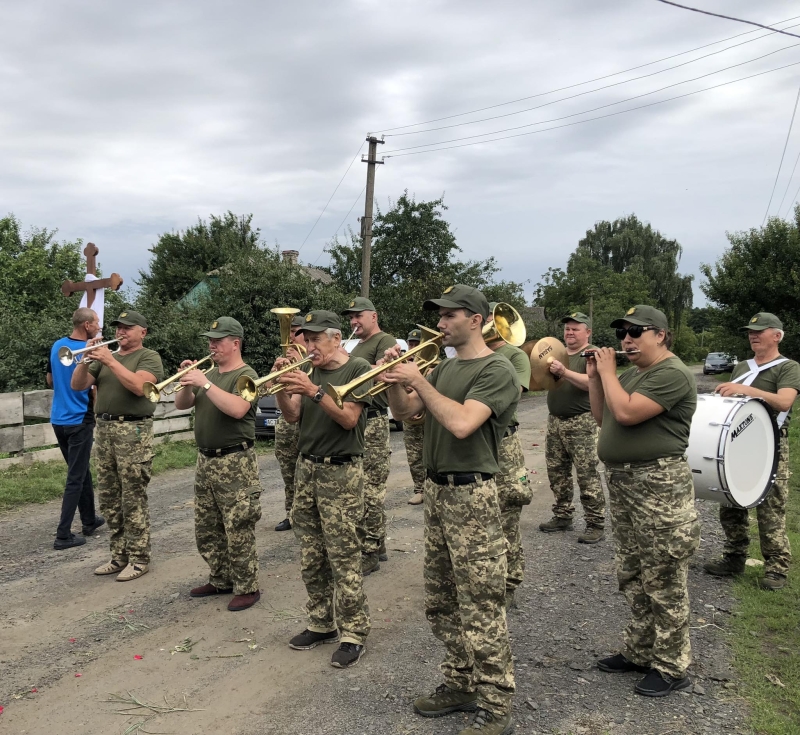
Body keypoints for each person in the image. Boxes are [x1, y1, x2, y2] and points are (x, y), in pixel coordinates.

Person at [384, 284, 519, 735]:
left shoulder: (497, 368)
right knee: (442, 600)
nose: (440, 324)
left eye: (448, 316)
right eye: (438, 316)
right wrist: (396, 385)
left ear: (475, 319)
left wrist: (418, 378)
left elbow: (462, 424)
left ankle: (496, 707)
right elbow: (407, 414)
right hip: (439, 493)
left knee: (481, 604)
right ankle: (460, 683)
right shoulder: (443, 368)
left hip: (473, 495)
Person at [587, 305, 699, 697]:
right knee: (633, 571)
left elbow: (629, 413)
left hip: (658, 483)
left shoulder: (671, 373)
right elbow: (605, 418)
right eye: (623, 333)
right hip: (625, 481)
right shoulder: (633, 373)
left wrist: (605, 372)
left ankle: (671, 666)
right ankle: (640, 650)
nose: (627, 339)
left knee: (663, 574)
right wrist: (596, 379)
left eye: (636, 331)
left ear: (661, 335)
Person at [274, 310, 372, 669]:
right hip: (307, 468)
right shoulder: (310, 370)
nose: (310, 345)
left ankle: (353, 632)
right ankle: (320, 622)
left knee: (343, 553)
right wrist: (286, 386)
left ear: (336, 337)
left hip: (342, 472)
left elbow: (348, 419)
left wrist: (313, 390)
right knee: (311, 552)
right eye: (306, 338)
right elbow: (292, 416)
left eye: (316, 339)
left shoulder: (358, 369)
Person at [704, 312, 800, 590]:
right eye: (750, 331)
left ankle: (777, 569)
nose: (753, 335)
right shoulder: (742, 367)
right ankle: (734, 557)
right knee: (730, 501)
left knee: (771, 507)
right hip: (736, 441)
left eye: (759, 331)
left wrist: (746, 390)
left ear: (777, 336)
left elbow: (784, 402)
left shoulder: (788, 367)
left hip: (771, 443)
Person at [174, 317, 263, 612]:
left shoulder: (246, 374)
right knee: (207, 526)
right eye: (210, 340)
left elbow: (238, 409)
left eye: (218, 340)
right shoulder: (208, 372)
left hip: (235, 460)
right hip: (206, 459)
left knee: (238, 525)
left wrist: (205, 382)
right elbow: (181, 404)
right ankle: (220, 577)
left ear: (235, 343)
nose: (212, 345)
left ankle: (247, 586)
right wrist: (187, 380)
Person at [71, 310, 163, 582]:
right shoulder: (104, 357)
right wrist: (85, 361)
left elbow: (139, 386)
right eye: (118, 328)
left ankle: (139, 558)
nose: (120, 332)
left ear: (142, 332)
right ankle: (119, 555)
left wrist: (110, 361)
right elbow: (78, 385)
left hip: (133, 430)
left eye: (127, 328)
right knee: (110, 497)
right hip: (105, 429)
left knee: (132, 496)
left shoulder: (148, 357)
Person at [540, 312, 606, 543]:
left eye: (575, 328)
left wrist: (564, 373)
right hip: (555, 421)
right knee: (557, 472)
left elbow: (593, 384)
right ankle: (562, 515)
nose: (569, 332)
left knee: (587, 475)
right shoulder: (557, 354)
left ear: (587, 332)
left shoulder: (592, 354)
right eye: (567, 328)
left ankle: (595, 522)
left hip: (582, 422)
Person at [343, 297, 397, 574]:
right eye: (351, 317)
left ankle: (371, 552)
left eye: (358, 316)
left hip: (373, 420)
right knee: (361, 487)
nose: (354, 321)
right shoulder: (358, 345)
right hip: (360, 419)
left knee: (371, 490)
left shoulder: (384, 341)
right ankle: (378, 543)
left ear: (373, 316)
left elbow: (381, 375)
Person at [485, 302, 533, 607]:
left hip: (503, 444)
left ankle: (510, 582)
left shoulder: (514, 356)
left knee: (507, 512)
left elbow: (511, 396)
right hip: (475, 442)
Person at [47, 307, 105, 549]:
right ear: (87, 326)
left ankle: (89, 520)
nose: (99, 327)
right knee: (75, 477)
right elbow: (94, 387)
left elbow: (50, 380)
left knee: (81, 470)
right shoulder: (90, 352)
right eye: (97, 324)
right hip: (79, 418)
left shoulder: (57, 346)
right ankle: (63, 535)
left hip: (58, 418)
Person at [273, 314, 307, 532]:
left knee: (304, 474)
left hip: (305, 423)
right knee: (288, 473)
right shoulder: (286, 359)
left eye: (295, 333)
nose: (291, 337)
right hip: (286, 424)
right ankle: (290, 513)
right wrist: (277, 373)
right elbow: (269, 387)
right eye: (289, 332)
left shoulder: (313, 360)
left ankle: (304, 514)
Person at [403, 328, 426, 506]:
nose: (413, 347)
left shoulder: (433, 363)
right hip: (410, 417)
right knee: (414, 455)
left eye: (416, 344)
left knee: (432, 453)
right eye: (411, 343)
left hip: (428, 416)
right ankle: (419, 489)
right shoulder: (402, 365)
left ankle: (431, 487)